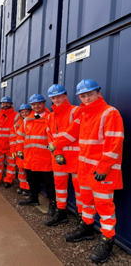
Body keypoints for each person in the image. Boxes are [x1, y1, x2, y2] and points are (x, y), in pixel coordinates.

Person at [48, 79, 124, 264]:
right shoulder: (83, 113)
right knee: (87, 202)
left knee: (105, 208)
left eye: (90, 94)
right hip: (85, 169)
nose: (86, 98)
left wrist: (103, 167)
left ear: (99, 93)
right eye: (83, 95)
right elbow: (71, 133)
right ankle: (87, 227)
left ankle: (107, 239)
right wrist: (55, 145)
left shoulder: (110, 112)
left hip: (101, 172)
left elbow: (115, 142)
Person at [44, 84, 82, 226]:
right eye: (54, 97)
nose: (57, 99)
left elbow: (74, 133)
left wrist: (55, 147)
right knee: (59, 188)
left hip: (76, 158)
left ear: (65, 96)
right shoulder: (50, 117)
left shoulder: (76, 111)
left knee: (80, 190)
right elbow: (50, 137)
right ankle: (61, 213)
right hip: (59, 158)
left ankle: (83, 218)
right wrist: (57, 153)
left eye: (59, 96)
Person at [16, 94, 56, 217]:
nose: (36, 106)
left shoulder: (50, 118)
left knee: (49, 184)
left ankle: (53, 204)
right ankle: (33, 198)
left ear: (44, 103)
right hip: (29, 156)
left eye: (39, 103)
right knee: (31, 180)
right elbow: (20, 137)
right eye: (33, 104)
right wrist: (19, 150)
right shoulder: (27, 120)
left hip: (45, 157)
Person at [10, 104, 32, 196]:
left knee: (28, 172)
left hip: (29, 152)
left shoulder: (33, 122)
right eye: (22, 112)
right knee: (21, 171)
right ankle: (22, 186)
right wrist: (13, 151)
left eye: (26, 112)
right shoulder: (16, 125)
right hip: (19, 151)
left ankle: (28, 188)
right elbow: (12, 139)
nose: (24, 114)